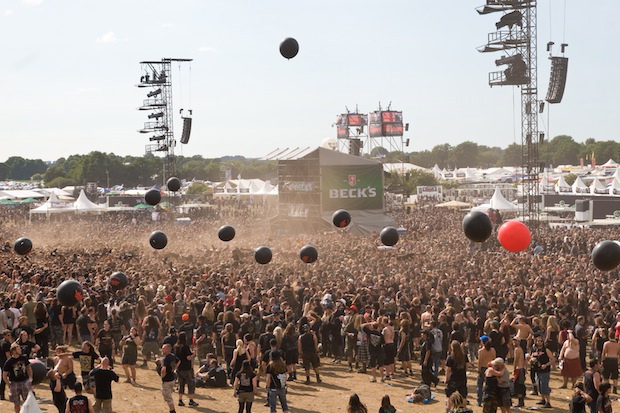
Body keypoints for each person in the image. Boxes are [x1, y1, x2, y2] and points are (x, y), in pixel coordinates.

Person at [2, 342, 33, 413]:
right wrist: (8, 384)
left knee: (27, 401)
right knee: (16, 403)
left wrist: (30, 378)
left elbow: (29, 368)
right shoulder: (9, 362)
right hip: (14, 383)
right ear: (14, 351)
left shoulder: (23, 358)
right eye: (18, 349)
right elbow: (4, 374)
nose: (20, 350)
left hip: (25, 382)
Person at [174, 331, 198, 407]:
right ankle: (191, 400)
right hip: (186, 368)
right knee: (191, 384)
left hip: (179, 368)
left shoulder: (176, 346)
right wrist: (194, 354)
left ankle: (180, 400)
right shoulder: (185, 346)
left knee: (181, 384)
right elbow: (188, 358)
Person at [531, 335, 555, 408]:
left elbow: (553, 359)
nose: (539, 342)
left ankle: (548, 402)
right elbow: (531, 357)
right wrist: (531, 359)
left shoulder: (546, 350)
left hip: (545, 371)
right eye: (538, 341)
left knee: (544, 386)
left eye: (541, 341)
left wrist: (546, 365)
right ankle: (543, 399)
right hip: (537, 370)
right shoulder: (534, 349)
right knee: (539, 385)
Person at [161, 343, 179, 413]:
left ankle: (172, 411)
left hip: (167, 380)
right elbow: (178, 361)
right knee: (169, 395)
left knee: (168, 397)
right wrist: (174, 368)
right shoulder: (173, 356)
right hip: (172, 378)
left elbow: (163, 369)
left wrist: (163, 376)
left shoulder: (166, 358)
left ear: (167, 349)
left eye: (163, 348)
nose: (162, 349)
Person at [0, 329, 12, 400]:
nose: (9, 337)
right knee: (5, 379)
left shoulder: (1, 342)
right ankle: (2, 395)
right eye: (8, 335)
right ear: (4, 335)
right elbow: (8, 355)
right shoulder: (6, 344)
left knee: (2, 378)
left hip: (1, 362)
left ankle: (1, 394)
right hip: (5, 363)